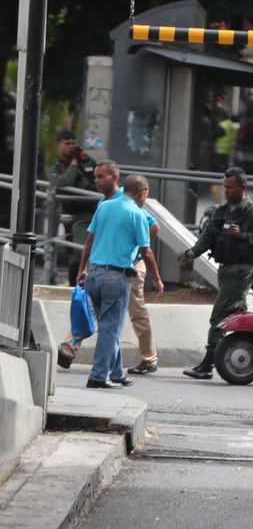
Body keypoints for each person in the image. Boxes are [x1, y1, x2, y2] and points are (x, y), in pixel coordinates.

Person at [180, 167, 253, 380]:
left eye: (230, 187)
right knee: (238, 313)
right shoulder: (222, 211)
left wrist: (244, 235)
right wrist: (192, 253)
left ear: (242, 187)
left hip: (242, 270)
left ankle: (208, 363)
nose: (226, 190)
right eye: (224, 186)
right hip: (225, 268)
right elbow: (208, 235)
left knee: (220, 314)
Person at [76, 167, 164, 388]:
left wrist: (82, 269)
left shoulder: (104, 206)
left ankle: (116, 373)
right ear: (143, 193)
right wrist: (158, 278)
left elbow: (89, 241)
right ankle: (98, 376)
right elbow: (147, 252)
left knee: (108, 325)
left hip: (94, 274)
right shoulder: (137, 214)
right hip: (116, 277)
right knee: (110, 328)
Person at [48, 130, 98, 285]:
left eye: (73, 143)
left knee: (85, 250)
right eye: (67, 143)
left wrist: (80, 160)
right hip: (74, 215)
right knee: (76, 250)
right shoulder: (56, 168)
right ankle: (74, 283)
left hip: (93, 210)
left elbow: (97, 180)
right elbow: (62, 182)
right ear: (58, 145)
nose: (71, 146)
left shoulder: (87, 161)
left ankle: (82, 282)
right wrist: (74, 164)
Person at [124, 175, 160, 375]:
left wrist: (137, 249)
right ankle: (69, 347)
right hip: (108, 265)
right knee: (92, 305)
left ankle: (149, 358)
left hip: (131, 266)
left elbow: (153, 229)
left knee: (137, 312)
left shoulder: (136, 211)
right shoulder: (110, 204)